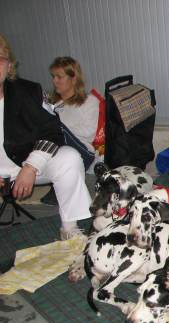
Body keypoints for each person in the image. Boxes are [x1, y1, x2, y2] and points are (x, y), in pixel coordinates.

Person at [0, 34, 91, 239]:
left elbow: (52, 130)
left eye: (0, 58)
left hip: (23, 164)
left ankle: (69, 228)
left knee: (69, 157)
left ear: (9, 65)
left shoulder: (27, 91)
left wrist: (31, 166)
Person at [48, 56, 103, 171]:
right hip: (58, 150)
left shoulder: (89, 101)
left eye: (59, 77)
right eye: (53, 77)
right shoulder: (54, 105)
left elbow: (90, 132)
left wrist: (61, 129)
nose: (54, 81)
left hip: (84, 153)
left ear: (73, 79)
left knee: (58, 127)